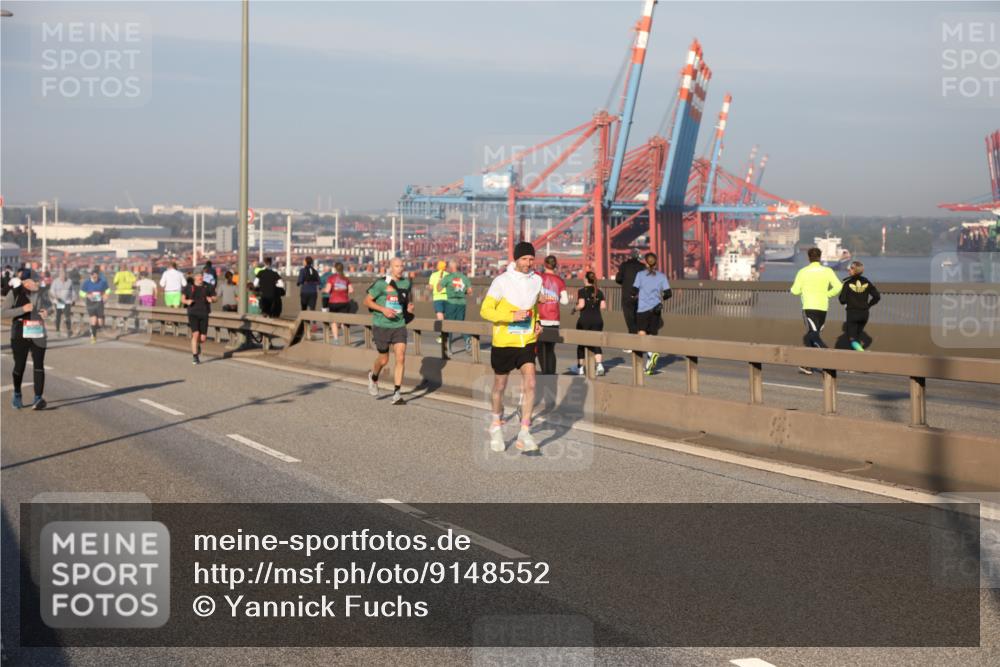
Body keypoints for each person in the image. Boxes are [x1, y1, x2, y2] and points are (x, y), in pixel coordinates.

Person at [480, 241, 543, 453]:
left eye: (531, 259)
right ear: (516, 259)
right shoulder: (501, 281)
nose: (528, 263)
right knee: (500, 386)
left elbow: (534, 307)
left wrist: (537, 322)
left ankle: (524, 432)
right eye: (524, 259)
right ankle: (496, 424)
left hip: (526, 341)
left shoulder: (537, 280)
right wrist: (510, 316)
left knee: (531, 383)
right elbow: (485, 310)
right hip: (504, 342)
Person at [364, 257, 413, 405]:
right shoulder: (381, 283)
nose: (400, 268)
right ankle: (373, 377)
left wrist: (409, 307)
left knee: (401, 357)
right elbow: (367, 301)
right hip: (381, 325)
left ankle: (397, 393)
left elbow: (405, 301)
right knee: (384, 359)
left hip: (399, 325)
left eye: (402, 266)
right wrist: (383, 309)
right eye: (397, 266)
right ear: (391, 267)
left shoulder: (406, 283)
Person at [3, 269, 51, 409]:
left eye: (37, 280)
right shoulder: (15, 293)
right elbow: (3, 313)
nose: (36, 283)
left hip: (38, 331)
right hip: (19, 333)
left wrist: (47, 312)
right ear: (25, 282)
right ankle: (17, 393)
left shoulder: (42, 293)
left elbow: (50, 307)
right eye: (34, 281)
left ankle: (38, 398)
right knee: (19, 366)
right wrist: (22, 310)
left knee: (39, 365)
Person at [790, 247, 842, 374]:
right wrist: (827, 294)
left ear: (808, 257)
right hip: (823, 307)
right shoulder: (828, 271)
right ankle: (808, 365)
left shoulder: (803, 272)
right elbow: (838, 286)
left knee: (813, 334)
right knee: (813, 334)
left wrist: (801, 290)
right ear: (820, 257)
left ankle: (826, 355)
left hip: (809, 306)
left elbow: (795, 291)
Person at [632, 252, 672, 375]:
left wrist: (633, 296)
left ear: (645, 262)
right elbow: (668, 293)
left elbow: (634, 290)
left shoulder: (640, 275)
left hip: (643, 309)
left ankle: (650, 353)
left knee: (642, 334)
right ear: (656, 263)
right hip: (656, 310)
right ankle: (649, 365)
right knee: (653, 335)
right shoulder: (662, 276)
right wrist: (660, 298)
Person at [535, 255, 569, 375]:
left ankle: (545, 373)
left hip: (541, 319)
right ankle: (551, 374)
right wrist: (555, 297)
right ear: (555, 265)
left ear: (544, 264)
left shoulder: (539, 278)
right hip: (554, 319)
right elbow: (565, 301)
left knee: (540, 349)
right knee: (550, 349)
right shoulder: (560, 280)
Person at [839, 260, 881, 352]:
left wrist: (848, 301)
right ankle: (857, 357)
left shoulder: (847, 283)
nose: (848, 270)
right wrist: (869, 305)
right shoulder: (867, 282)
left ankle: (862, 353)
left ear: (854, 270)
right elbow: (877, 296)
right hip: (864, 313)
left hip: (852, 313)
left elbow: (842, 300)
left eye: (851, 268)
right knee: (857, 336)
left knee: (852, 339)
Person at [574, 271, 606, 376]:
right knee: (596, 342)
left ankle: (580, 368)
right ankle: (599, 366)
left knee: (581, 344)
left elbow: (581, 305)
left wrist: (574, 309)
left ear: (586, 279)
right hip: (598, 320)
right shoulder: (599, 291)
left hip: (585, 320)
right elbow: (603, 306)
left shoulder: (582, 291)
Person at [182, 271, 216, 365]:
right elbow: (183, 299)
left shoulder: (208, 286)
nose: (200, 277)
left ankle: (197, 345)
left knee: (203, 338)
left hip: (204, 313)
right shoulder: (189, 287)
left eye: (201, 276)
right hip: (193, 313)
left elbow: (215, 298)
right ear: (194, 277)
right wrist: (187, 301)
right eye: (198, 276)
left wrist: (212, 299)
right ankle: (195, 356)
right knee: (195, 334)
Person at [615, 248, 644, 348]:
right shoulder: (642, 266)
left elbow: (618, 279)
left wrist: (626, 282)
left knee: (629, 318)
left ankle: (633, 342)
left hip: (627, 295)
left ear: (630, 256)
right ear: (638, 256)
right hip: (640, 296)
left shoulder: (624, 265)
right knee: (639, 317)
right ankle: (641, 340)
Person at [442, 259, 473, 355]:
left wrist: (441, 283)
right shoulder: (464, 277)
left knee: (449, 326)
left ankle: (448, 349)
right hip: (462, 303)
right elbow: (470, 291)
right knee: (461, 324)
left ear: (451, 267)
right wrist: (462, 291)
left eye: (448, 267)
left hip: (451, 303)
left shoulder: (447, 277)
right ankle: (467, 340)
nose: (448, 269)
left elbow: (439, 288)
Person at [324, 262, 354, 341]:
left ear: (335, 269)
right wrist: (344, 292)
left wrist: (324, 290)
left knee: (333, 321)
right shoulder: (346, 279)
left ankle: (336, 339)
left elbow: (327, 290)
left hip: (333, 302)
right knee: (344, 321)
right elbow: (351, 290)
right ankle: (347, 338)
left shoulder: (331, 278)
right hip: (344, 302)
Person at [79, 267, 110, 343]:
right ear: (91, 276)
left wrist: (106, 295)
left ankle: (95, 327)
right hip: (91, 303)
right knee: (93, 320)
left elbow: (108, 290)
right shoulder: (87, 282)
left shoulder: (102, 282)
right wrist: (87, 295)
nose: (95, 278)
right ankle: (93, 337)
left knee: (100, 323)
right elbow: (81, 293)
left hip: (99, 303)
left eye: (96, 277)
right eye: (94, 277)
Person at [50, 268, 76, 337]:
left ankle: (69, 330)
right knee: (58, 315)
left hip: (67, 301)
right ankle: (58, 330)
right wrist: (55, 297)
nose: (63, 277)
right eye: (61, 275)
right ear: (59, 275)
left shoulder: (69, 281)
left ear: (66, 275)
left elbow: (72, 291)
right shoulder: (55, 281)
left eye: (64, 275)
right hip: (59, 301)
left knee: (67, 316)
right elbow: (52, 291)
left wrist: (73, 299)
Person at [428, 260, 449, 343]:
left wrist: (428, 287)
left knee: (440, 316)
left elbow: (430, 287)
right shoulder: (448, 275)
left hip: (437, 298)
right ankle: (447, 332)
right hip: (447, 298)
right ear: (445, 267)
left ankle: (442, 334)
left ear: (438, 267)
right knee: (446, 316)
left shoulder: (433, 275)